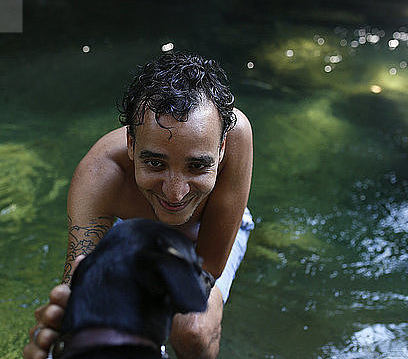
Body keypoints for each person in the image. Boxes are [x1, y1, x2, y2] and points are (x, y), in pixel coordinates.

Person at [23, 52, 253, 359]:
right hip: (134, 230)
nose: (175, 192)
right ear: (131, 143)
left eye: (197, 166)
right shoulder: (100, 175)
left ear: (221, 148)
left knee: (193, 329)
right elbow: (79, 288)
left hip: (208, 225)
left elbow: (208, 267)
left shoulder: (235, 133)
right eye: (155, 163)